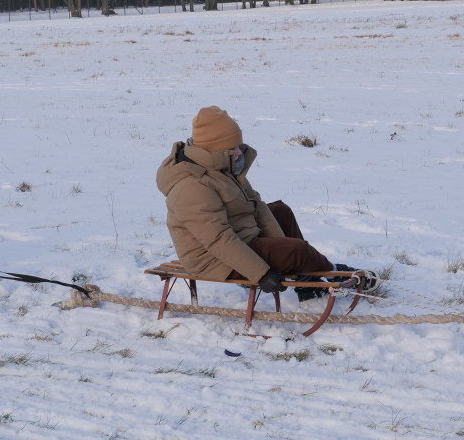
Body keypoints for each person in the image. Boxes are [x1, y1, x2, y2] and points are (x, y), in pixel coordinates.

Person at [156, 106, 376, 301]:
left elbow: (255, 204)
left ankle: (308, 280)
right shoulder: (191, 187)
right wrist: (261, 272)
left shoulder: (220, 167)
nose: (238, 152)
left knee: (281, 212)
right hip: (212, 258)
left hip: (238, 235)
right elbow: (218, 241)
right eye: (232, 148)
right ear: (216, 149)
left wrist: (281, 249)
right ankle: (335, 274)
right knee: (297, 250)